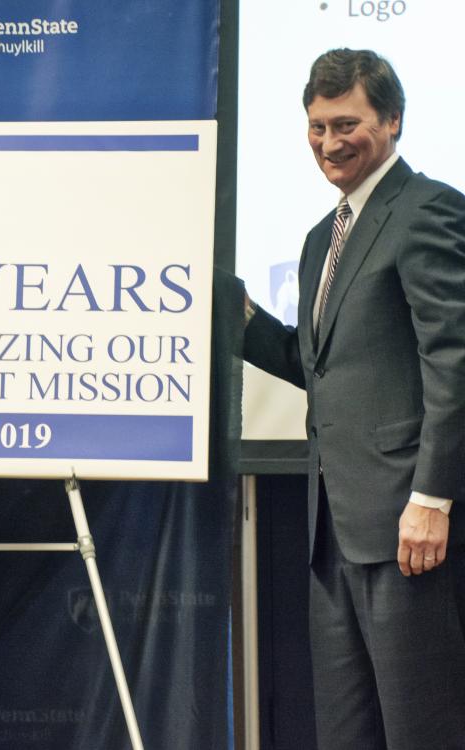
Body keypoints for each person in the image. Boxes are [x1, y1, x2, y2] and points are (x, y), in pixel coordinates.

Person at [244, 48, 465, 748]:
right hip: (331, 534)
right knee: (345, 734)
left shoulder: (428, 210)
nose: (329, 143)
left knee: (419, 731)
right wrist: (237, 318)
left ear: (392, 121)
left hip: (408, 532)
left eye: (346, 124)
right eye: (315, 127)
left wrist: (431, 500)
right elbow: (323, 369)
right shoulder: (319, 240)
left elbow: (454, 360)